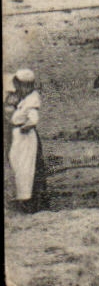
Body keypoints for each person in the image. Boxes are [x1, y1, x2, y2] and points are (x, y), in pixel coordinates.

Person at [7, 69, 44, 212]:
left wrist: (25, 127)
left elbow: (33, 118)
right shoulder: (24, 98)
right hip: (18, 135)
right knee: (17, 164)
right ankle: (22, 197)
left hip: (25, 136)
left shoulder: (32, 99)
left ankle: (26, 199)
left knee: (25, 167)